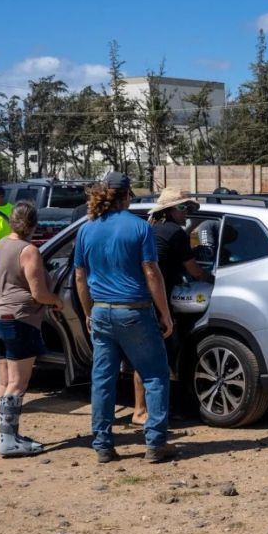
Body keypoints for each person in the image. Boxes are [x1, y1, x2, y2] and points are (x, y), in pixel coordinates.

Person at [74, 172, 177, 464]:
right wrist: (165, 313)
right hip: (134, 310)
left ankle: (103, 445)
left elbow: (80, 277)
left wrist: (87, 312)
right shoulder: (139, 227)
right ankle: (155, 444)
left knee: (103, 379)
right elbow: (151, 272)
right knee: (155, 374)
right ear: (127, 195)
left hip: (102, 311)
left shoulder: (86, 229)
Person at [0, 202, 64, 457]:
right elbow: (38, 293)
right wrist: (57, 301)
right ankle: (8, 441)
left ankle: (6, 434)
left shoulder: (2, 245)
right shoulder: (29, 251)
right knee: (19, 383)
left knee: (5, 380)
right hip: (18, 319)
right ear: (34, 224)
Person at [130, 188, 209, 427]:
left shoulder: (153, 229)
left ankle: (142, 408)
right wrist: (214, 278)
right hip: (157, 301)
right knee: (157, 357)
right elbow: (194, 270)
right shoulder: (175, 233)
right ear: (171, 210)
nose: (187, 213)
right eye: (183, 208)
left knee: (144, 357)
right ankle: (146, 411)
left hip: (142, 297)